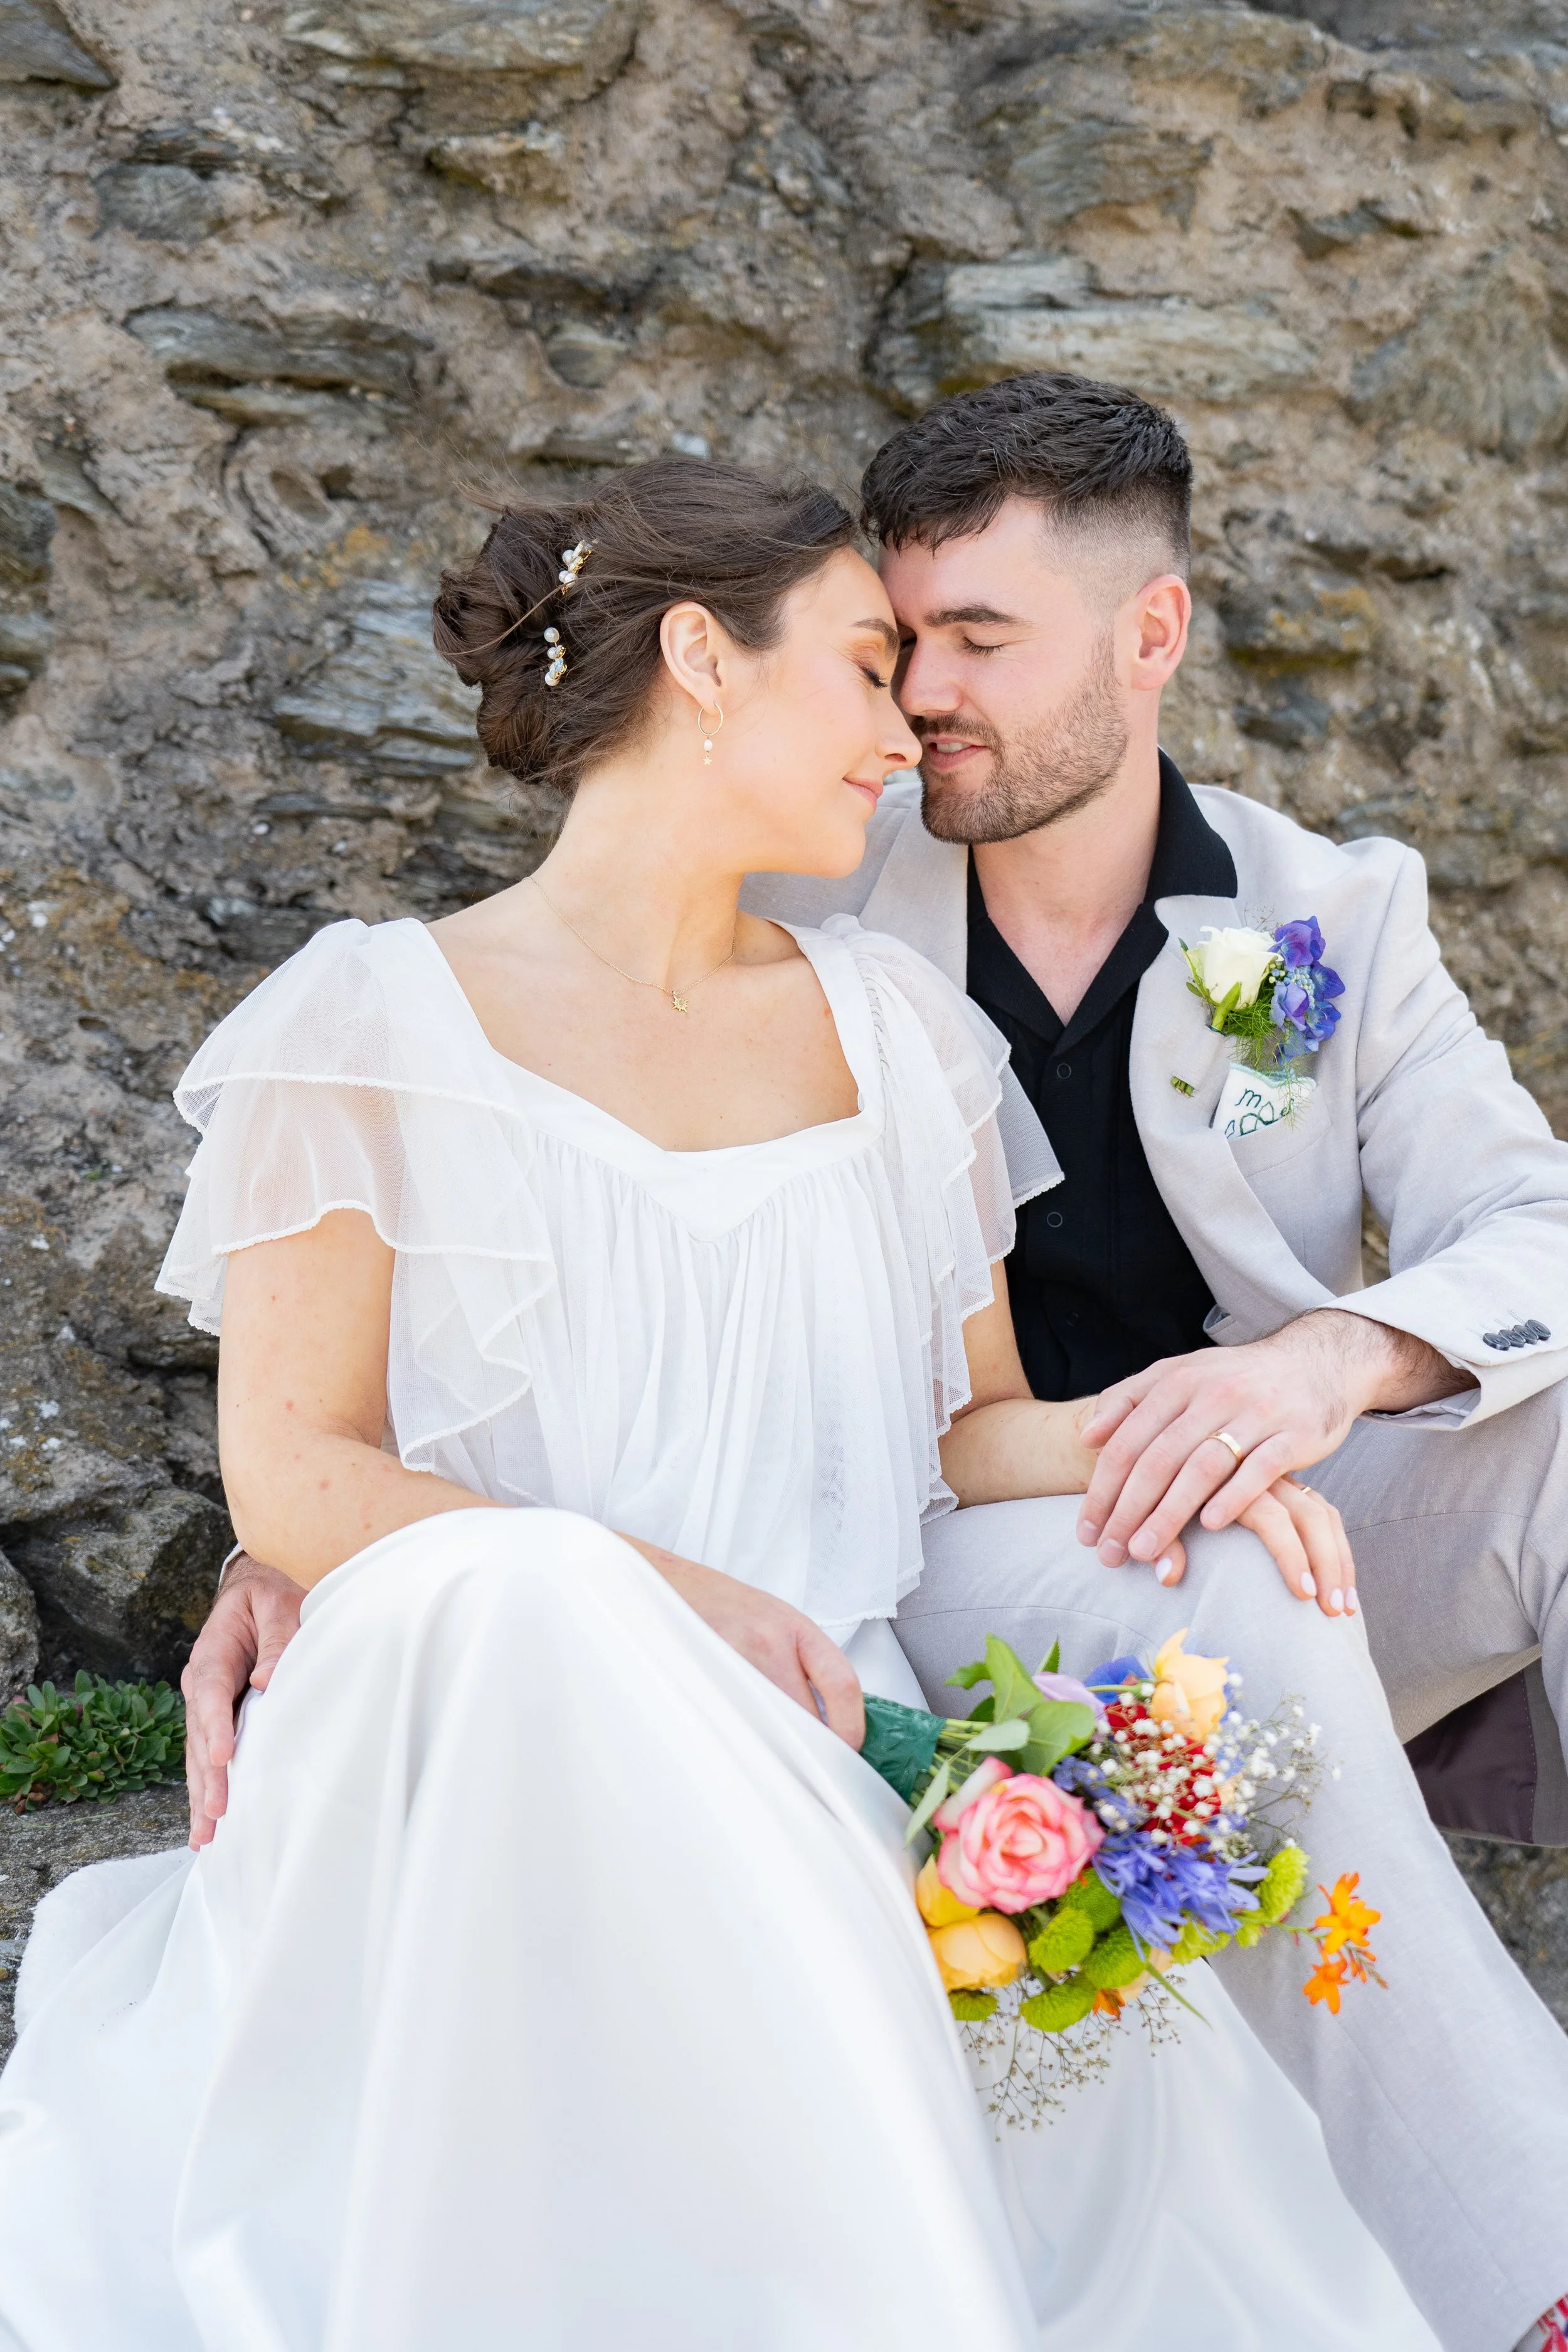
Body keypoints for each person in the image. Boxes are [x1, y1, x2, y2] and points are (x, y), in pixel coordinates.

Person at [0, 457, 1453, 2351]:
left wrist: (1184, 1428)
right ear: (699, 654)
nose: (903, 722)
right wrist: (662, 1593)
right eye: (863, 666)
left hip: (808, 1689)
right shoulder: (363, 1017)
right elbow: (293, 1469)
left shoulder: (897, 1033)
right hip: (490, 1687)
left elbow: (963, 1425)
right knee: (533, 1598)